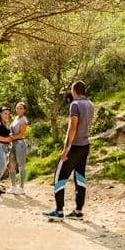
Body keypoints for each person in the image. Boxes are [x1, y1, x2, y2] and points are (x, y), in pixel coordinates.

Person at [43, 81, 95, 221]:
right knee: (80, 177)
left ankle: (59, 211)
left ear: (74, 90)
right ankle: (78, 211)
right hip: (85, 145)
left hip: (74, 146)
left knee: (59, 176)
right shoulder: (91, 105)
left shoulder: (75, 105)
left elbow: (72, 128)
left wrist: (66, 148)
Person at [8, 101, 30, 195]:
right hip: (13, 144)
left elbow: (22, 133)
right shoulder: (16, 118)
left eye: (21, 108)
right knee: (11, 164)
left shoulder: (24, 120)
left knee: (21, 166)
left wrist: (10, 138)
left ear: (24, 110)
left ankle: (21, 187)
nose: (18, 109)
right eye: (17, 108)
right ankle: (13, 186)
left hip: (20, 144)